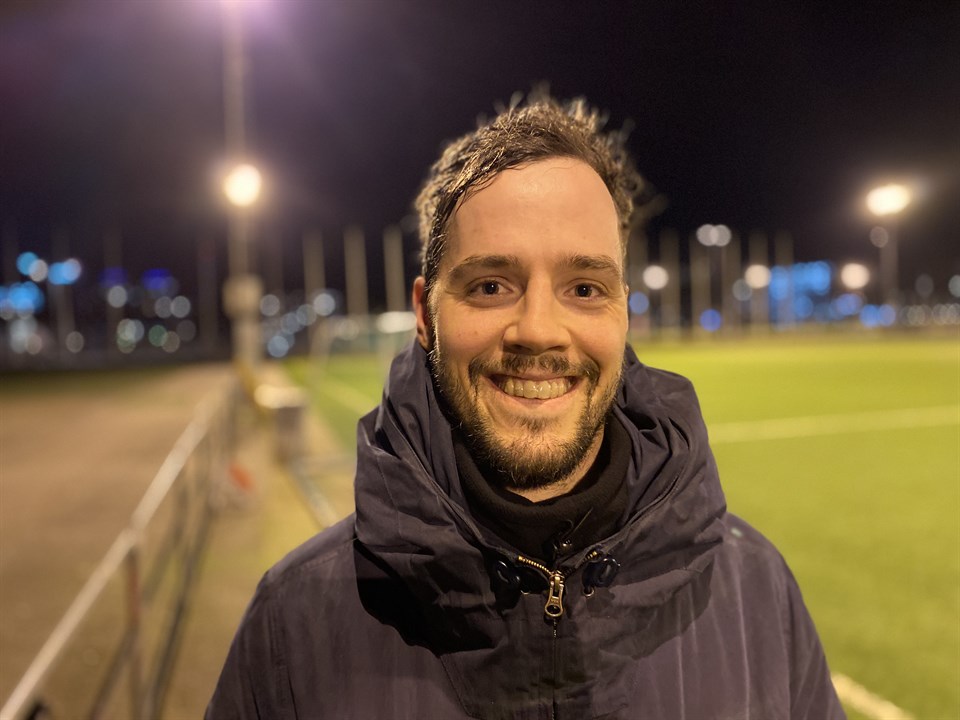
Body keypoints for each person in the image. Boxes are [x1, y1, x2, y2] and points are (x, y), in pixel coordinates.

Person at [207, 95, 844, 719]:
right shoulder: (293, 620)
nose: (538, 330)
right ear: (426, 314)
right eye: (491, 286)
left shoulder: (756, 587)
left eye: (584, 288)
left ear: (623, 311)